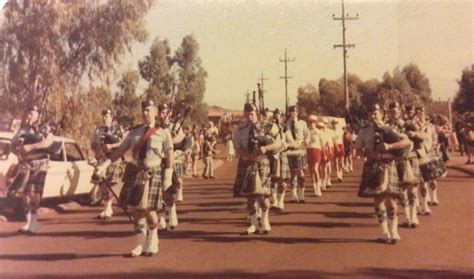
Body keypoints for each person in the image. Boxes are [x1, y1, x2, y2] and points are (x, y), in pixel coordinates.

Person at [95, 100, 174, 257]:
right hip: (136, 172)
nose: (145, 113)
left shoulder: (163, 132)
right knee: (137, 212)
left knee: (150, 211)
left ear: (155, 112)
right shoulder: (135, 132)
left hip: (154, 172)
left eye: (148, 110)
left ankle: (153, 239)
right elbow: (120, 151)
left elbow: (170, 154)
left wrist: (168, 176)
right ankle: (141, 244)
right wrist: (103, 166)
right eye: (143, 110)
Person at [355, 104, 411, 244]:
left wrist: (390, 147)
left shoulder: (390, 128)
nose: (373, 116)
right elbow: (358, 150)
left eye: (375, 113)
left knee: (391, 201)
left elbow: (406, 142)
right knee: (377, 200)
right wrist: (368, 153)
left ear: (381, 113)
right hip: (373, 165)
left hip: (388, 164)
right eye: (370, 114)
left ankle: (394, 231)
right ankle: (384, 232)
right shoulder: (364, 131)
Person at [233, 103, 284, 234]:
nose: (249, 117)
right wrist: (248, 155)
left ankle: (265, 220)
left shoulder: (268, 127)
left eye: (252, 114)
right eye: (247, 114)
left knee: (262, 194)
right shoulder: (240, 130)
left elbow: (279, 143)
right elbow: (238, 148)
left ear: (258, 114)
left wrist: (265, 148)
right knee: (249, 197)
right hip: (247, 164)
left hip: (263, 163)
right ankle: (254, 224)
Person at [11, 105, 53, 234]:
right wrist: (17, 150)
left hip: (40, 163)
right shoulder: (22, 129)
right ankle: (28, 221)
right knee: (25, 194)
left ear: (38, 116)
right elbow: (13, 144)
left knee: (35, 193)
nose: (29, 116)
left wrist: (31, 147)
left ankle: (34, 221)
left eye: (32, 114)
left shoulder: (44, 128)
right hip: (26, 163)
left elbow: (48, 142)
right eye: (28, 113)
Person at [90, 108, 124, 219]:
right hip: (101, 158)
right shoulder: (98, 130)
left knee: (110, 184)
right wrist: (97, 150)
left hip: (113, 157)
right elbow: (93, 144)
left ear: (112, 117)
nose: (105, 117)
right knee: (101, 183)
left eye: (108, 115)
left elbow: (123, 143)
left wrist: (111, 146)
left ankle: (108, 209)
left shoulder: (118, 129)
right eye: (104, 115)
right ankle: (106, 208)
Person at [156, 103, 185, 228]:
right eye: (160, 112)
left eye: (164, 112)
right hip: (158, 160)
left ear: (169, 113)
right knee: (158, 191)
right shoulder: (156, 126)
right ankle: (161, 218)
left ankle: (172, 213)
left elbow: (181, 137)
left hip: (170, 160)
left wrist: (169, 141)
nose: (162, 115)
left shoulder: (175, 125)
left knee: (169, 190)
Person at [285, 105, 309, 203]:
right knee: (292, 173)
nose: (292, 113)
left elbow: (307, 135)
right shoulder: (287, 124)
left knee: (300, 172)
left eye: (294, 111)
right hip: (291, 151)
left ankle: (301, 193)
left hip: (300, 150)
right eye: (291, 112)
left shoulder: (302, 123)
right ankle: (293, 194)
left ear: (297, 112)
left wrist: (305, 142)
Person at [306, 115, 323, 197]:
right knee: (311, 170)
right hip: (308, 150)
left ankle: (318, 188)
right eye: (310, 122)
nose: (311, 123)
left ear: (315, 123)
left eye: (313, 122)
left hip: (316, 150)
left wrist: (324, 153)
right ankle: (314, 186)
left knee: (315, 168)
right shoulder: (307, 131)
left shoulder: (318, 131)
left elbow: (322, 143)